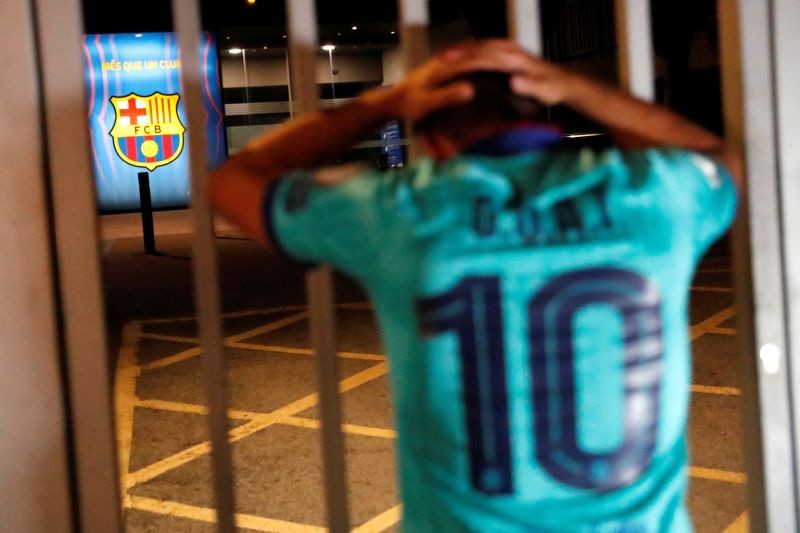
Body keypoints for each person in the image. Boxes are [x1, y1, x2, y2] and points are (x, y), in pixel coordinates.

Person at [209, 40, 740, 532]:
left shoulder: (405, 214)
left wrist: (383, 103)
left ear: (434, 144)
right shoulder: (653, 197)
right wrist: (576, 87)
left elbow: (233, 180)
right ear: (545, 115)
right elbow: (720, 158)